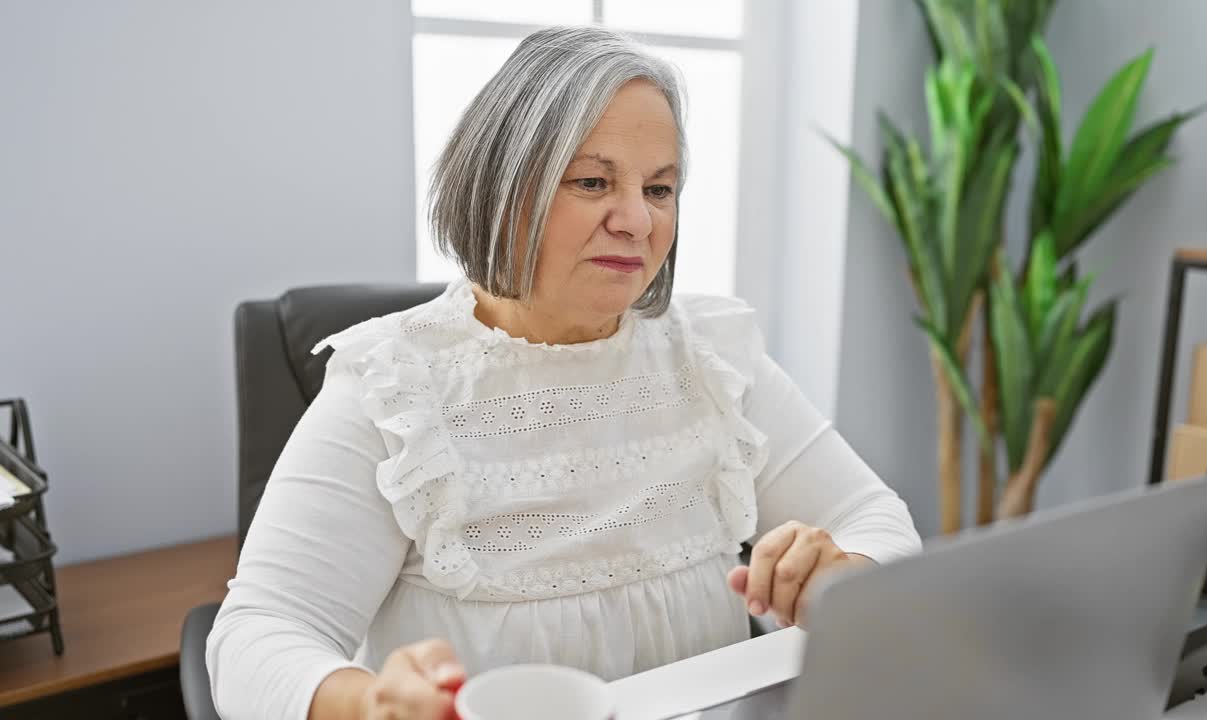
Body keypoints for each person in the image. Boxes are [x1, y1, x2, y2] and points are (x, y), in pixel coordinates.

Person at [206, 25, 922, 720]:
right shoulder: (397, 389)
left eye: (661, 189)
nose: (639, 221)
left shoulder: (712, 358)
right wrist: (368, 703)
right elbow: (254, 638)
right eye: (592, 181)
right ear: (498, 188)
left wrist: (846, 572)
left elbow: (876, 519)